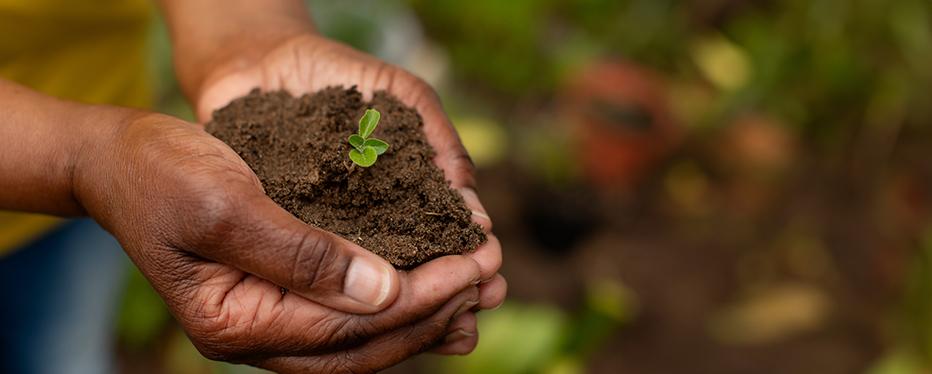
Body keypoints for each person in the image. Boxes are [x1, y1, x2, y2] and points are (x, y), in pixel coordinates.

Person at [0, 0, 506, 372]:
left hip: (91, 157)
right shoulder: (100, 164)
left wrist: (249, 39)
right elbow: (98, 163)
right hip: (85, 159)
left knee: (61, 350)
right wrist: (80, 159)